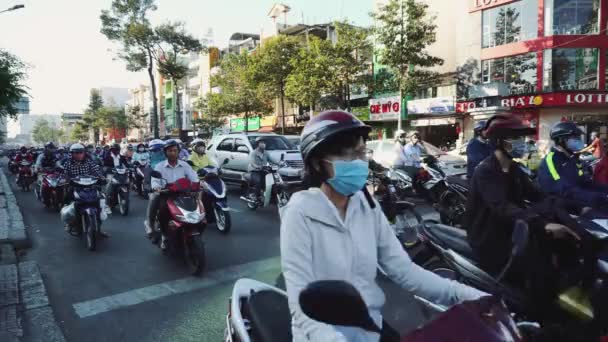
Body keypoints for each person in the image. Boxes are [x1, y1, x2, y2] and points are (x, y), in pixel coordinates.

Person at [282, 110, 486, 342]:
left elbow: (405, 272)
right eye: (348, 156)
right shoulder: (299, 212)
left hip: (369, 329)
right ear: (319, 163)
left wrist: (473, 296)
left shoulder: (366, 206)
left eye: (361, 153)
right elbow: (299, 301)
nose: (359, 163)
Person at [537, 122, 608, 208]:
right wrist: (599, 197)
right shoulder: (552, 161)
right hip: (563, 209)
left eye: (578, 137)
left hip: (583, 203)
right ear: (561, 140)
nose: (579, 140)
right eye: (575, 137)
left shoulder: (573, 159)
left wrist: (605, 190)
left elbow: (585, 183)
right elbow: (564, 190)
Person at [151, 139, 198, 249]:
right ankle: (164, 235)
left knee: (196, 209)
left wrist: (196, 185)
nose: (172, 153)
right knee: (162, 212)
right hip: (167, 195)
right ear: (165, 152)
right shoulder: (159, 166)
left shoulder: (185, 165)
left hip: (184, 194)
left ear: (178, 152)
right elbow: (155, 180)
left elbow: (193, 177)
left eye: (175, 150)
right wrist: (157, 187)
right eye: (170, 151)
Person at [60, 143, 109, 235]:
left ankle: (98, 227)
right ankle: (70, 223)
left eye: (80, 152)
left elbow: (96, 171)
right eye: (76, 153)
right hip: (75, 187)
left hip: (90, 186)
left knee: (98, 203)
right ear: (72, 154)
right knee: (67, 199)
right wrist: (66, 180)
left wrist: (102, 178)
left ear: (84, 153)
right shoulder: (68, 163)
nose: (78, 155)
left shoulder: (89, 161)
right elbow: (65, 175)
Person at [144, 139, 166, 238]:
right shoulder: (149, 166)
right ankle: (150, 224)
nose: (158, 152)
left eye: (160, 150)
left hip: (175, 190)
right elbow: (147, 182)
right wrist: (152, 188)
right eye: (155, 150)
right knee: (154, 198)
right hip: (159, 191)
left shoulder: (174, 161)